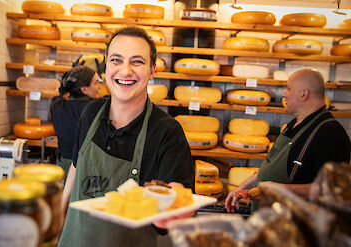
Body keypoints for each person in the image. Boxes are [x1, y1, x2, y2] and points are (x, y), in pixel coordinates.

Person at [58, 26, 195, 247]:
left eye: (137, 61)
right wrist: (59, 221)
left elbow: (177, 193)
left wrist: (173, 209)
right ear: (105, 69)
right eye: (116, 60)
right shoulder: (90, 113)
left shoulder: (167, 132)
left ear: (152, 71)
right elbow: (76, 167)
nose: (125, 70)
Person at [225, 69, 351, 213]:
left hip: (298, 226)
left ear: (303, 93)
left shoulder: (329, 133)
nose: (284, 94)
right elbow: (270, 166)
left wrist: (279, 189)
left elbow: (333, 189)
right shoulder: (293, 125)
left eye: (289, 89)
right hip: (272, 219)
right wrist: (241, 188)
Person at [50, 65, 101, 183]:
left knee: (63, 199)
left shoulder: (56, 105)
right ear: (84, 89)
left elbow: (61, 92)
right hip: (86, 169)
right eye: (96, 83)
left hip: (63, 166)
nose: (99, 87)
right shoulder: (95, 108)